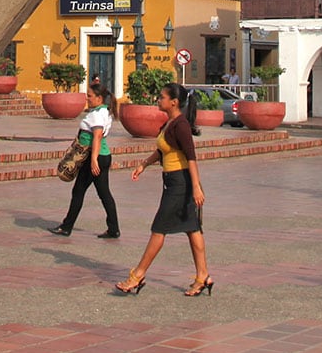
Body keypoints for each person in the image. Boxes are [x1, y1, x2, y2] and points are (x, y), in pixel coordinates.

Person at [113, 83, 211, 296]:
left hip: (181, 183)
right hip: (172, 181)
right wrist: (144, 164)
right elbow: (162, 150)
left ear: (174, 102)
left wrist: (196, 187)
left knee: (159, 228)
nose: (158, 100)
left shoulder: (181, 125)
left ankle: (137, 275)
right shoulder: (170, 123)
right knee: (192, 228)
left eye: (161, 97)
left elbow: (191, 157)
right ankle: (203, 276)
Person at [50, 81, 119, 239]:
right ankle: (113, 228)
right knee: (104, 193)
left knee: (79, 191)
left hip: (94, 157)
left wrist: (93, 159)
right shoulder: (104, 112)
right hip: (102, 156)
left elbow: (97, 137)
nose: (87, 99)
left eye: (90, 96)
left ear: (99, 98)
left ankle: (67, 227)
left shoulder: (96, 115)